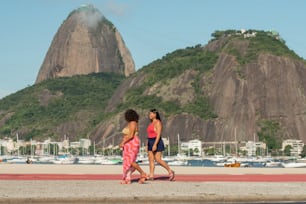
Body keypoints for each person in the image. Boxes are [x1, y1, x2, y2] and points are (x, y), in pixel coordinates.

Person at [119, 109, 147, 184]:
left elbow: (131, 135)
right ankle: (128, 177)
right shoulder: (131, 123)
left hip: (132, 142)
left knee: (131, 161)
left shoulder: (133, 123)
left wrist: (123, 142)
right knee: (127, 161)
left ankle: (142, 173)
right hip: (128, 143)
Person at [146, 109, 175, 181]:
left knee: (158, 159)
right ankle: (151, 175)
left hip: (157, 141)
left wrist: (155, 144)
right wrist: (147, 144)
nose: (150, 115)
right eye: (149, 114)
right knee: (151, 159)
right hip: (150, 141)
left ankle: (170, 171)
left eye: (151, 114)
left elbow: (158, 134)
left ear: (155, 114)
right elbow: (149, 135)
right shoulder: (150, 123)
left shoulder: (158, 122)